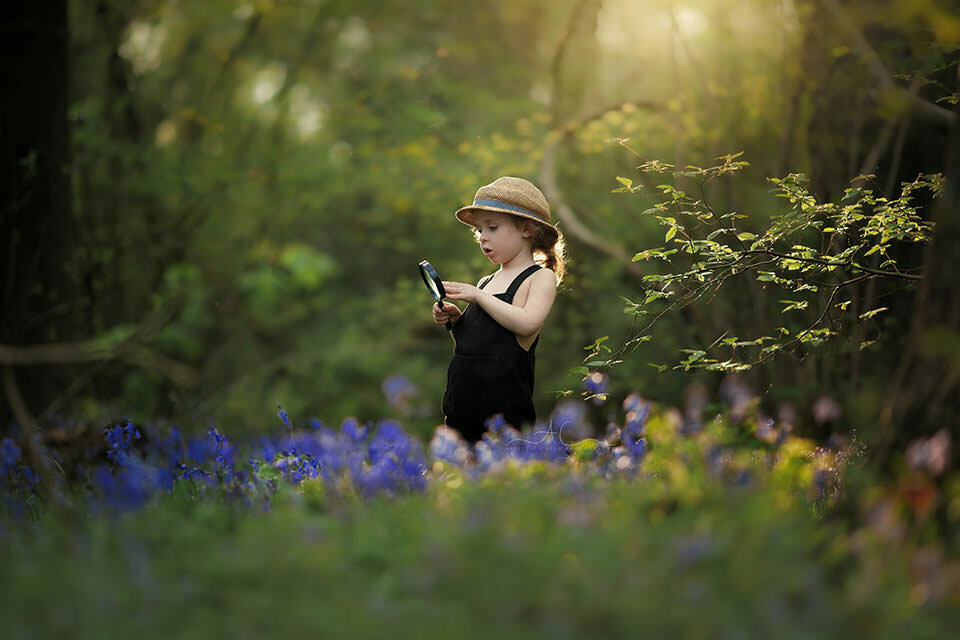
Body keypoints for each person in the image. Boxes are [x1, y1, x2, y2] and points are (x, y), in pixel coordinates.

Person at [432, 176, 566, 443]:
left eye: (492, 227)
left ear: (527, 229)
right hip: (461, 412)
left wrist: (479, 297)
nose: (483, 237)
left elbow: (527, 323)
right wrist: (456, 322)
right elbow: (475, 346)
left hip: (504, 421)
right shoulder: (486, 282)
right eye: (480, 230)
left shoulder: (539, 278)